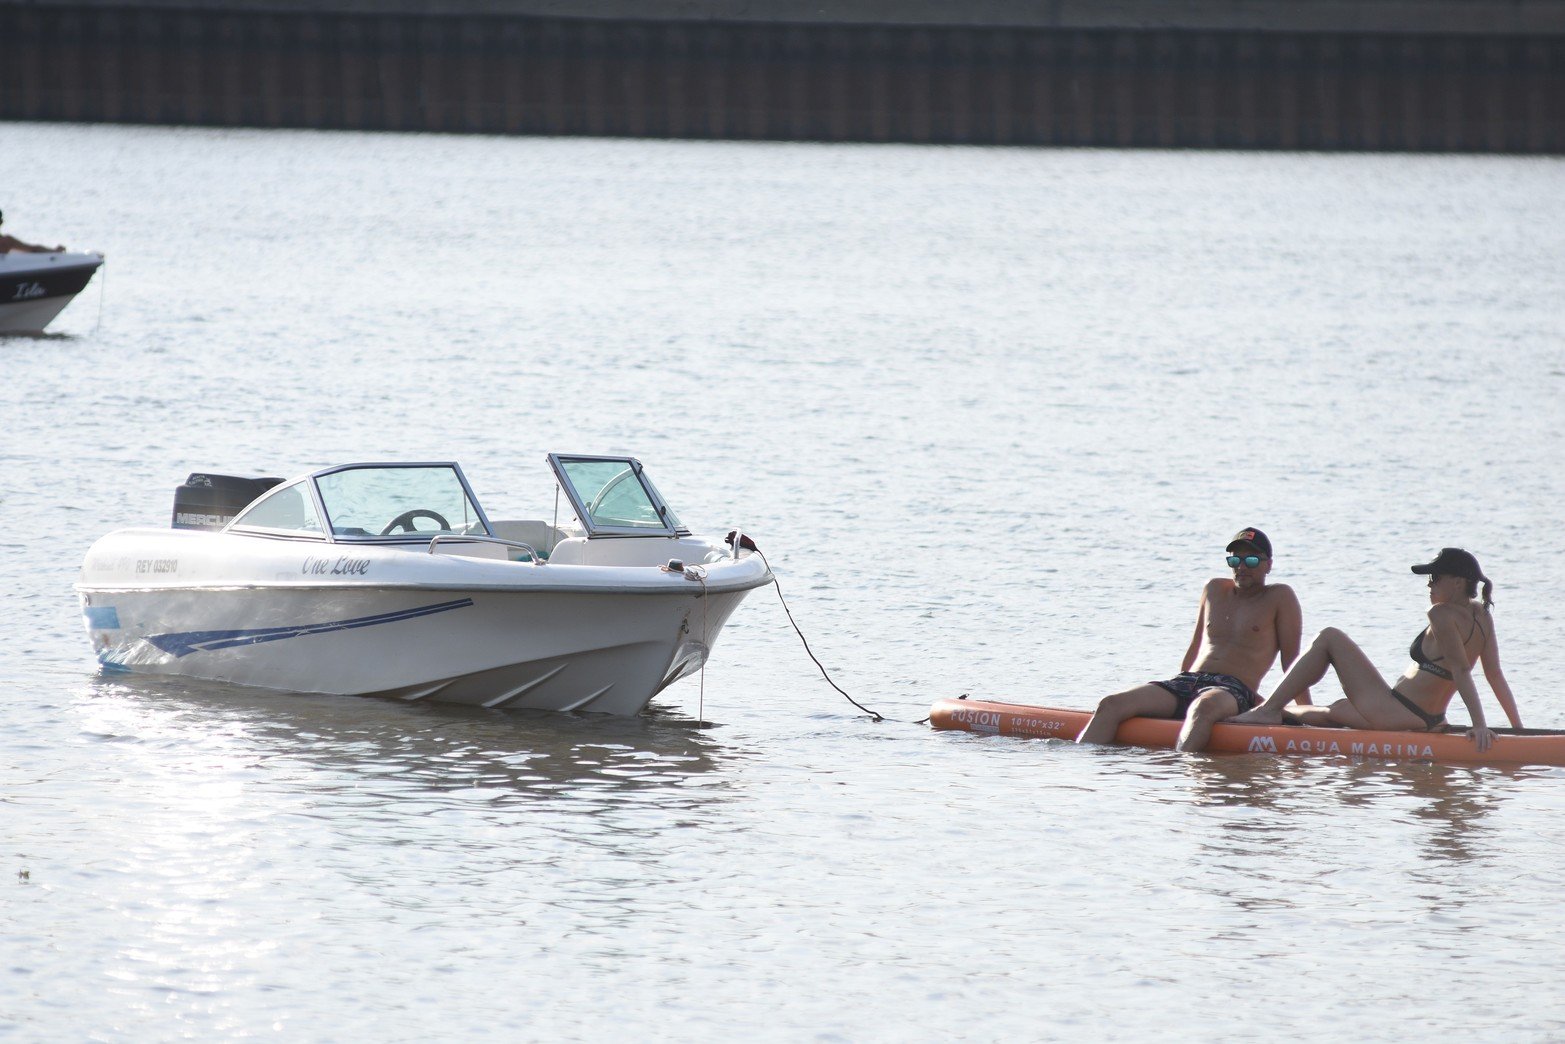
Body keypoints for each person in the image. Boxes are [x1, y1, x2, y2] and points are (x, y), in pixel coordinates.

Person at [1231, 547, 1521, 752]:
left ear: (1458, 583)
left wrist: (1480, 725)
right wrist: (1518, 731)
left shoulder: (1441, 613)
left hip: (1399, 713)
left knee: (1329, 637)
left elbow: (1460, 670)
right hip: (1431, 721)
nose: (1428, 584)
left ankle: (1267, 711)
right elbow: (1494, 674)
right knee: (1336, 711)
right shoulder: (1482, 614)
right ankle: (1271, 713)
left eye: (1435, 578)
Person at [1077, 527, 1305, 752]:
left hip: (1232, 690)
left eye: (1252, 560)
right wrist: (1177, 684)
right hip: (1187, 682)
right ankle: (1082, 771)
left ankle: (1182, 777)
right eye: (1235, 561)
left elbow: (1293, 665)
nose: (1242, 567)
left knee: (1202, 708)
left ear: (1268, 565)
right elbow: (1195, 648)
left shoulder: (1280, 597)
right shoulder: (1213, 589)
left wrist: (1305, 713)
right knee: (1110, 704)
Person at [0, 210, 66, 253]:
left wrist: (54, 251)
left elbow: (33, 249)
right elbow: (33, 249)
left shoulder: (6, 241)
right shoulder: (6, 241)